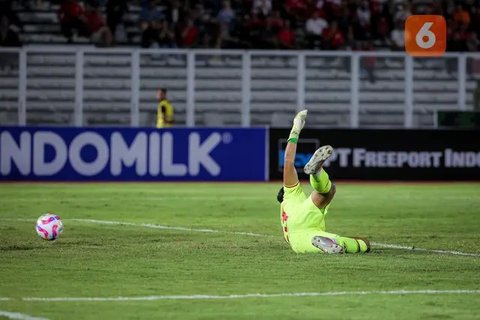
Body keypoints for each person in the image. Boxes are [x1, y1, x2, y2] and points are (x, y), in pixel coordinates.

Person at [278, 109, 370, 254]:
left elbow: (287, 239)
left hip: (297, 239)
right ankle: (317, 173)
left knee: (332, 242)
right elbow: (288, 160)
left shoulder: (285, 207)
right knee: (326, 192)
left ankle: (336, 244)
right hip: (306, 217)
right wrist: (295, 129)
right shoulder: (291, 194)